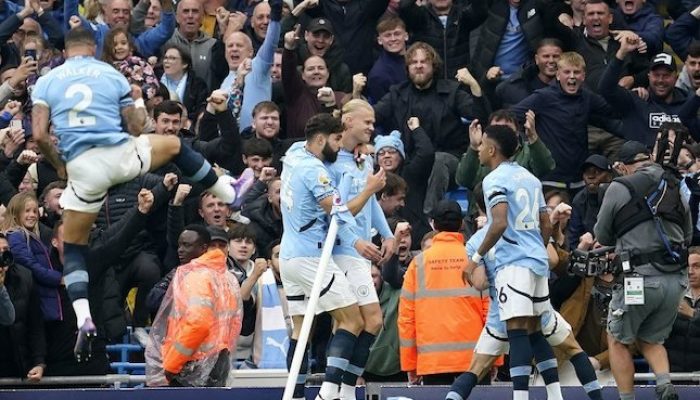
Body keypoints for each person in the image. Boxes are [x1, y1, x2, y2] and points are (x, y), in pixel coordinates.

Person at [30, 27, 251, 361]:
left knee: (74, 249)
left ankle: (83, 315)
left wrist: (59, 166)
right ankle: (227, 190)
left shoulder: (47, 81)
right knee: (176, 145)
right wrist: (135, 95)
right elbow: (136, 126)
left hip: (83, 168)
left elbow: (39, 135)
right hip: (120, 157)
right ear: (94, 48)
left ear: (65, 49)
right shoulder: (111, 74)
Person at [448, 187, 603, 400]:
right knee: (572, 349)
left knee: (475, 370)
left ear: (478, 207)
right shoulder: (525, 229)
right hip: (536, 305)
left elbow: (480, 283)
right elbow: (553, 261)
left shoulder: (476, 241)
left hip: (500, 313)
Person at [279, 113, 384, 400]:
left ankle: (297, 395)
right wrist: (369, 190)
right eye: (337, 140)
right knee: (353, 320)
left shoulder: (293, 154)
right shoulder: (315, 171)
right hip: (311, 258)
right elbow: (339, 213)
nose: (339, 146)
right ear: (322, 139)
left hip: (288, 257)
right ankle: (329, 394)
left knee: (301, 333)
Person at [466, 124, 563, 400]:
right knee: (535, 330)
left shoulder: (493, 179)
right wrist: (537, 248)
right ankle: (555, 395)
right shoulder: (531, 178)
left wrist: (474, 259)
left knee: (518, 331)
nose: (479, 148)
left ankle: (520, 397)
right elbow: (546, 222)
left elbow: (497, 224)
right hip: (537, 263)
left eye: (483, 143)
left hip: (514, 265)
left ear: (493, 149)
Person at [594, 140, 692, 400]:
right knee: (651, 338)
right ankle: (664, 384)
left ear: (623, 167)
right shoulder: (673, 184)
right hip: (675, 283)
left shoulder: (619, 185)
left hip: (638, 280)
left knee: (618, 340)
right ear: (648, 157)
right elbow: (689, 234)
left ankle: (626, 398)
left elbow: (602, 235)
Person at [327, 100, 395, 400]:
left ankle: (342, 390)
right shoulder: (329, 163)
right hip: (342, 250)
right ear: (348, 121)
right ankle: (336, 391)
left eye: (373, 122)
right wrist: (354, 240)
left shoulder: (363, 160)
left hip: (359, 250)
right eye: (367, 122)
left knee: (361, 322)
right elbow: (334, 213)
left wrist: (387, 232)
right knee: (358, 320)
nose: (371, 127)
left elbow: (369, 202)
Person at [398, 200, 489, 385]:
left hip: (433, 361)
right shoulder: (476, 261)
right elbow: (491, 312)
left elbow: (406, 318)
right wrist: (495, 359)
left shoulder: (418, 264)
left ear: (433, 224)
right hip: (476, 359)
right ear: (462, 224)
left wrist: (410, 365)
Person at [146, 225, 243, 387]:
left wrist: (172, 364)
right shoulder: (227, 277)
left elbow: (198, 324)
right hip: (219, 360)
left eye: (187, 245)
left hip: (191, 364)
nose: (180, 250)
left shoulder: (195, 276)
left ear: (203, 248)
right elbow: (234, 321)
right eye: (180, 245)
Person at [665, 246, 700, 373]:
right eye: (687, 266)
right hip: (674, 375)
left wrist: (692, 314)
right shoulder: (673, 295)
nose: (690, 271)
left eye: (696, 266)